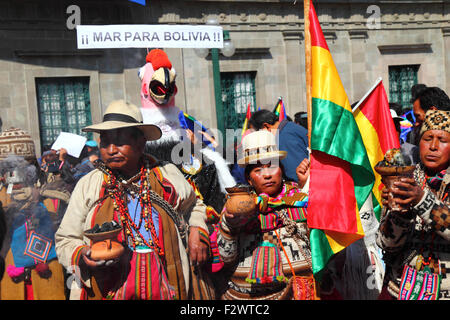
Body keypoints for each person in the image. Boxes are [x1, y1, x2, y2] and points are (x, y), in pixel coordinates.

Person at [55, 100, 214, 300]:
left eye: (120, 142)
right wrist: (84, 255)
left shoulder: (166, 174)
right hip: (108, 287)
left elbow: (195, 206)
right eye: (105, 142)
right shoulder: (89, 185)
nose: (111, 149)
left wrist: (196, 231)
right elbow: (65, 239)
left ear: (141, 143)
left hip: (166, 279)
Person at [210, 130, 318, 300]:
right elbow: (225, 257)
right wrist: (229, 226)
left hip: (302, 293)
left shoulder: (299, 198)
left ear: (281, 170)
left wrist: (307, 186)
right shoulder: (238, 207)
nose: (267, 175)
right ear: (249, 179)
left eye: (272, 167)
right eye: (258, 170)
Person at [376, 110, 450, 300]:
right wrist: (400, 214)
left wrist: (421, 200)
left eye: (442, 140)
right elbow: (386, 244)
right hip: (402, 289)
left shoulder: (413, 187)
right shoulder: (404, 178)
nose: (433, 146)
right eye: (427, 138)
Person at [249, 109, 309, 183]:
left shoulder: (283, 138)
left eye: (257, 134)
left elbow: (296, 174)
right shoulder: (290, 128)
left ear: (266, 126)